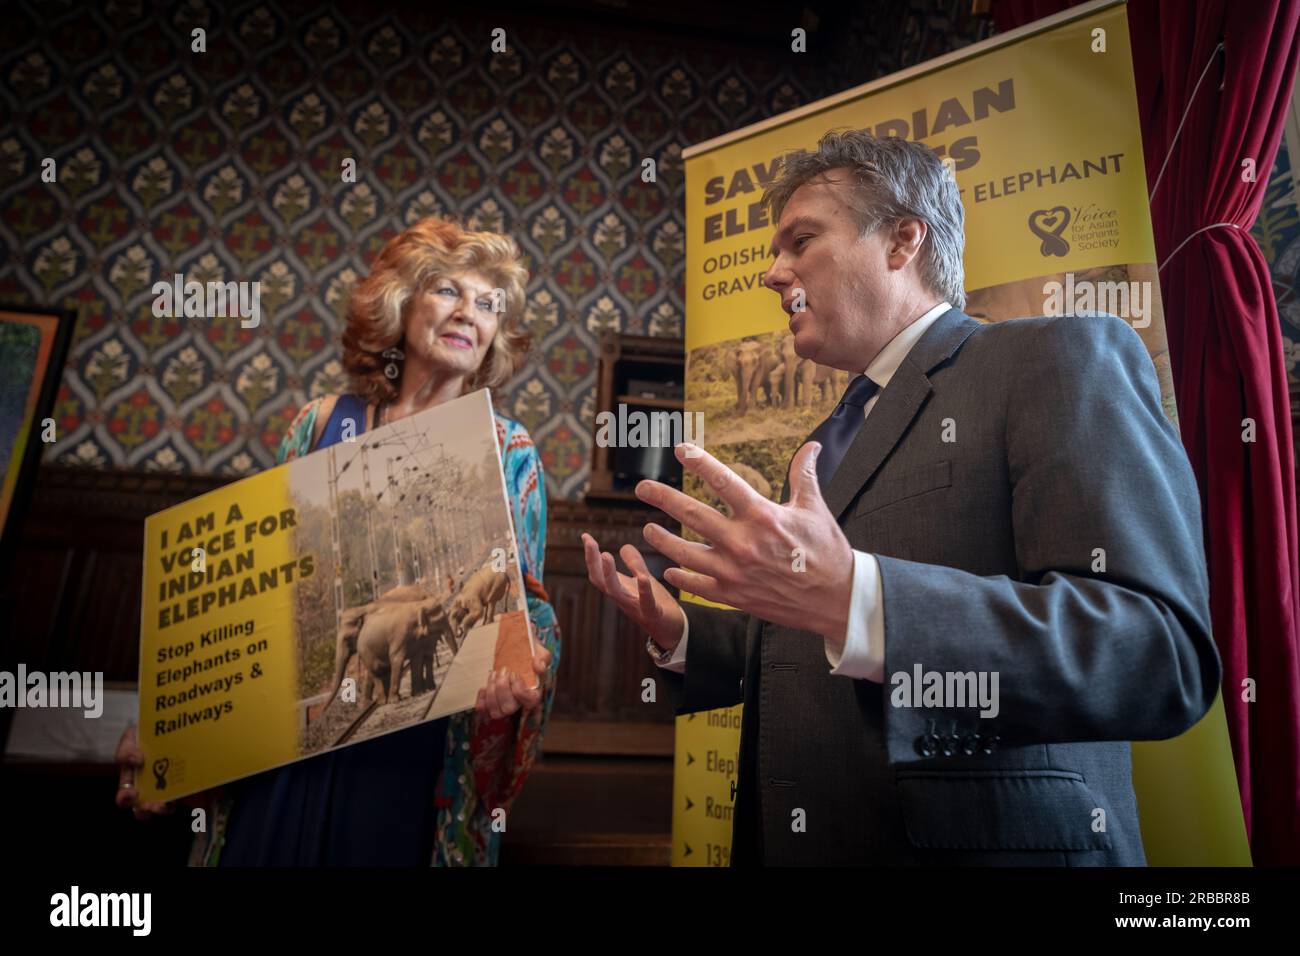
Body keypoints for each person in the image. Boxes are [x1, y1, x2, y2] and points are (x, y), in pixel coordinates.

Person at [582, 130, 1221, 865]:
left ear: (901, 240)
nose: (771, 272)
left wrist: (857, 595)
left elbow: (1155, 654)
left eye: (801, 240)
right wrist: (690, 635)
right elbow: (824, 642)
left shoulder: (1057, 359)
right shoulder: (829, 436)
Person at [115, 216, 561, 866]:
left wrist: (518, 674)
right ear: (400, 305)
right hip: (285, 754)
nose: (471, 312)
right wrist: (174, 730)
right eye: (448, 291)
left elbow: (529, 609)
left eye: (489, 304)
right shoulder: (320, 422)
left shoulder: (508, 449)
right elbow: (253, 604)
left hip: (413, 761)